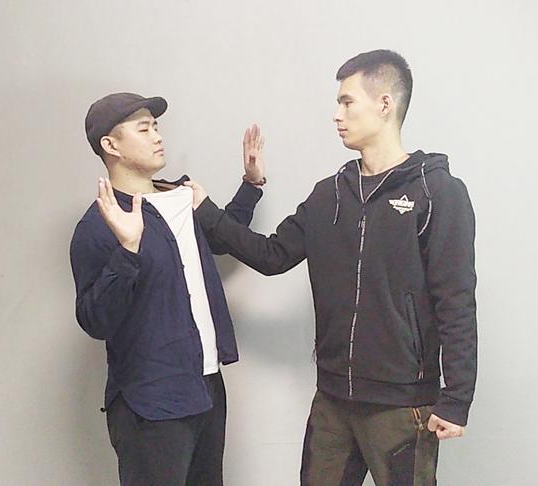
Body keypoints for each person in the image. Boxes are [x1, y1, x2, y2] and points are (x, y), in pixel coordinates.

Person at [189, 50, 478, 485]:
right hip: (333, 399)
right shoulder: (330, 195)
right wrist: (210, 209)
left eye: (347, 102)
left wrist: (456, 399)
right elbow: (271, 256)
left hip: (402, 403)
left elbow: (455, 300)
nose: (336, 115)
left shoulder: (436, 191)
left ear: (384, 104)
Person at [69, 92, 266, 485]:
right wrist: (128, 249)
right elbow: (95, 320)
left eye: (156, 126)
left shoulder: (183, 196)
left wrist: (251, 184)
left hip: (207, 387)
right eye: (144, 129)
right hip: (150, 401)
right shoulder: (97, 226)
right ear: (111, 145)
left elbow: (222, 238)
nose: (158, 136)